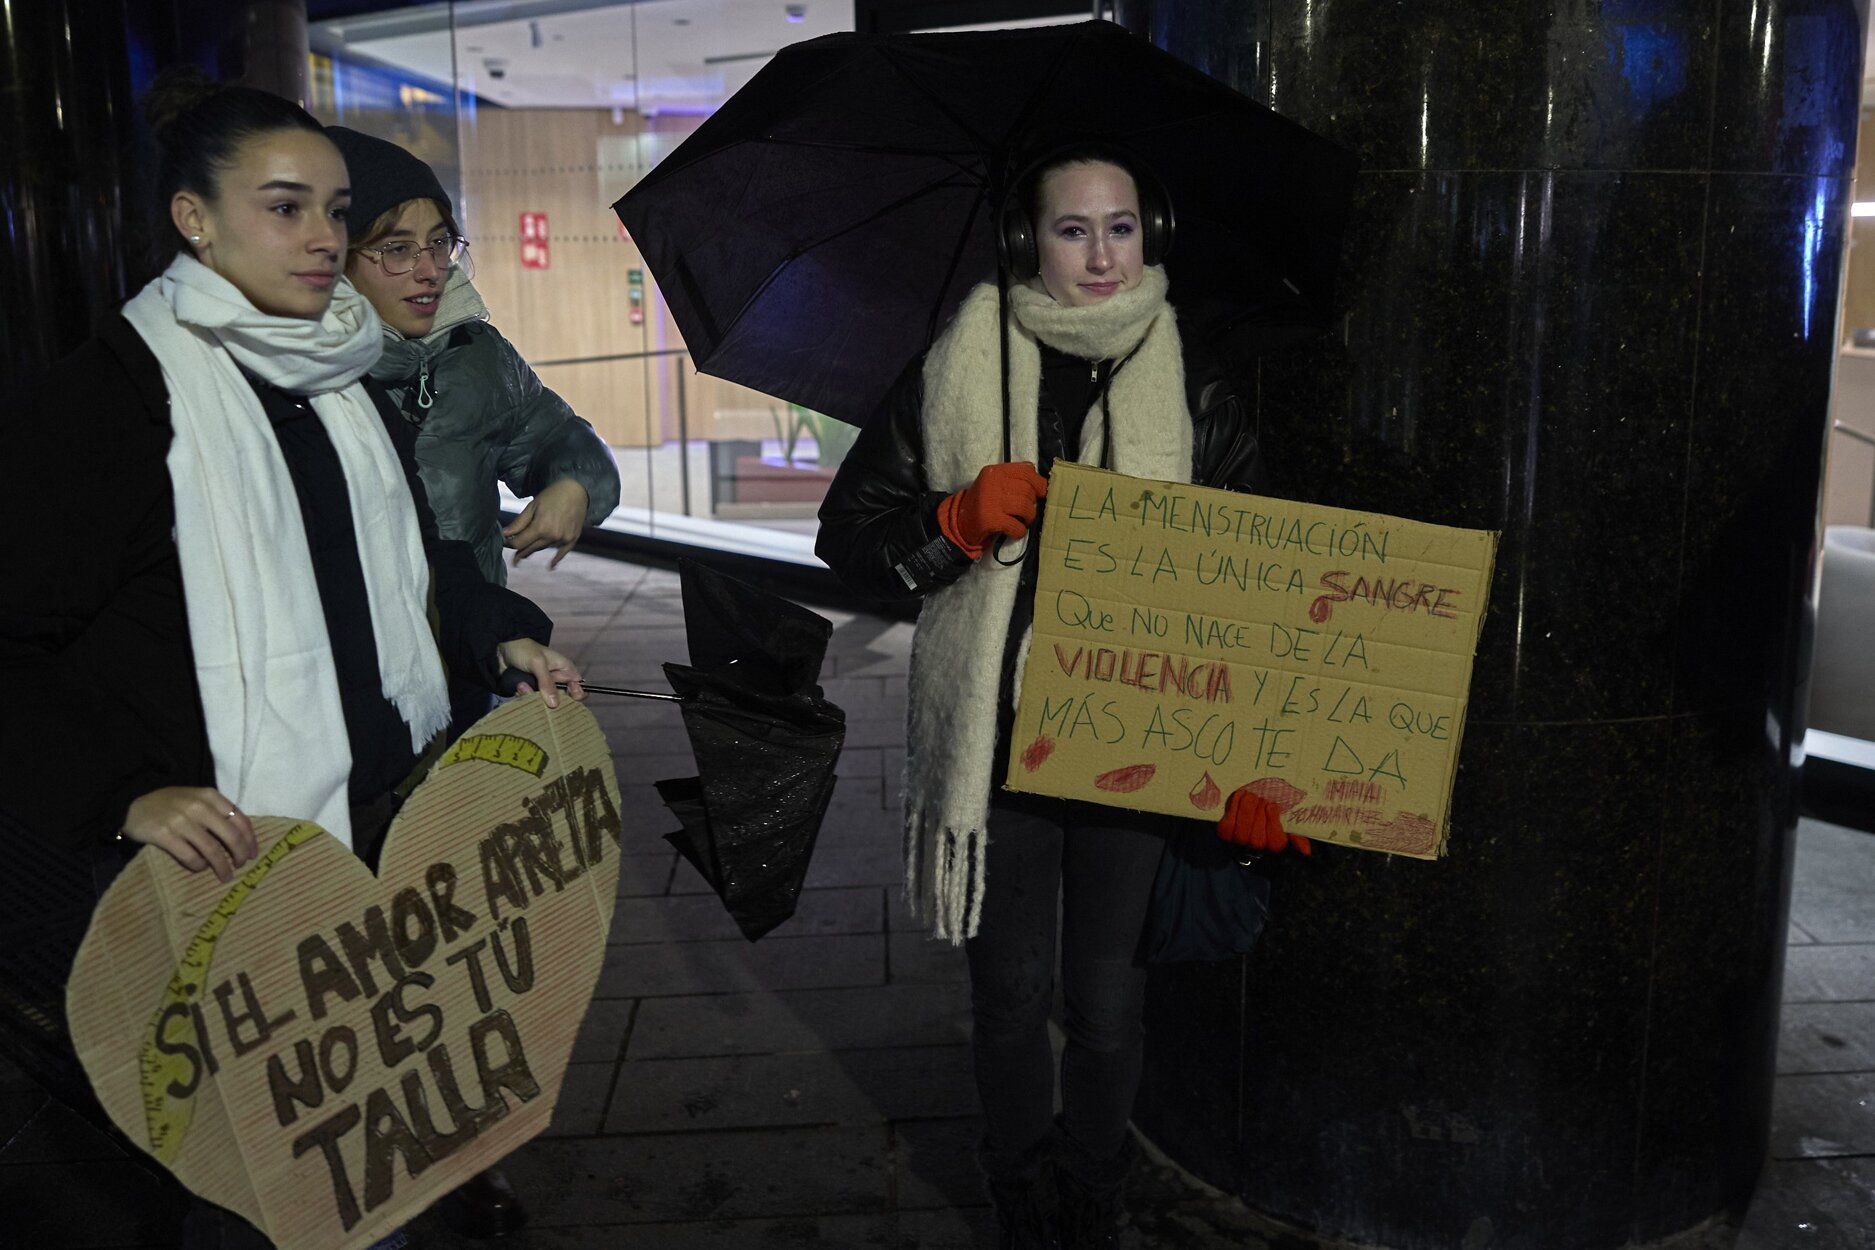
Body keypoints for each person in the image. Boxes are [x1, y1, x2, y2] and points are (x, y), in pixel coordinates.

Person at [0, 70, 582, 1248]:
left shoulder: (331, 374)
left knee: (381, 1150)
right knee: (257, 1186)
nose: (323, 238)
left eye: (331, 208)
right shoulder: (109, 402)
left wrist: (498, 631)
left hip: (375, 829)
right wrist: (126, 791)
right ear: (193, 219)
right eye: (285, 207)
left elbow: (413, 564)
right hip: (225, 870)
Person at [816, 145, 1309, 1249]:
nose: (1100, 252)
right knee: (1008, 993)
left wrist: (1250, 768)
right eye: (1073, 228)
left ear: (1152, 234)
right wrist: (949, 521)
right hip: (995, 741)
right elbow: (848, 535)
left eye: (1121, 226)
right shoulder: (958, 363)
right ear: (1023, 240)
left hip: (1130, 746)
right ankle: (1016, 1175)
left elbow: (1263, 598)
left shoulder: (1195, 388)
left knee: (1106, 1000)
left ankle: (1094, 1182)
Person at [324, 126, 621, 738]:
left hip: (472, 640)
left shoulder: (477, 354)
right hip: (348, 664)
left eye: (440, 244)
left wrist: (573, 484)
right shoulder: (309, 375)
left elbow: (556, 435)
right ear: (338, 256)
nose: (429, 270)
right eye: (397, 250)